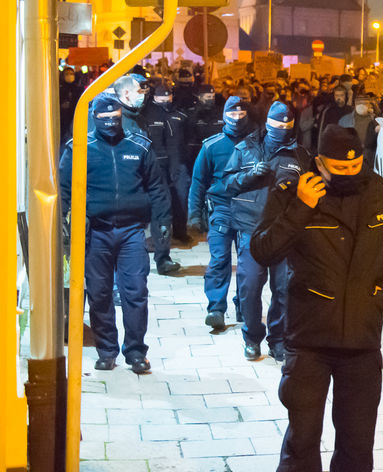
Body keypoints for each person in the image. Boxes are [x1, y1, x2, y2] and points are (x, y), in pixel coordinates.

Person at [250, 126, 383, 472]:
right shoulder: (292, 191)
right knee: (302, 442)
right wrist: (301, 205)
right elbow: (263, 250)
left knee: (357, 440)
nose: (347, 173)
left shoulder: (380, 193)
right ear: (318, 162)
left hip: (362, 339)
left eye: (354, 165)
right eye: (337, 167)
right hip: (309, 338)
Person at [59, 92, 171, 373]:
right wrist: (61, 225)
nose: (110, 122)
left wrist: (162, 225)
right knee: (99, 294)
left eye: (115, 117)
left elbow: (157, 188)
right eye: (104, 117)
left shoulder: (139, 146)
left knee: (135, 292)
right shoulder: (79, 149)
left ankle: (135, 351)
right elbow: (63, 189)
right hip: (96, 233)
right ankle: (106, 350)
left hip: (132, 232)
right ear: (93, 118)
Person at [222, 102, 312, 362]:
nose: (281, 129)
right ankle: (252, 338)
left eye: (286, 125)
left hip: (284, 231)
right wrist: (249, 175)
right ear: (267, 123)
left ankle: (279, 339)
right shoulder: (245, 149)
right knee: (250, 286)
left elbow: (309, 192)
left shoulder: (299, 156)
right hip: (252, 229)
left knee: (283, 288)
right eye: (276, 124)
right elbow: (226, 184)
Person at [188, 96, 255, 331]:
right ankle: (216, 307)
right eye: (232, 114)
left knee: (249, 264)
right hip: (221, 209)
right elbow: (198, 181)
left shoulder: (256, 143)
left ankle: (245, 306)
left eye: (241, 114)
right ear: (224, 116)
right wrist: (194, 214)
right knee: (219, 259)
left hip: (250, 211)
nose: (237, 119)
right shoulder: (212, 146)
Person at [141, 79, 191, 268]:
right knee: (161, 206)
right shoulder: (147, 115)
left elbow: (186, 138)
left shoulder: (178, 114)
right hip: (157, 167)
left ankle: (179, 231)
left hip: (177, 164)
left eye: (168, 95)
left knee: (180, 198)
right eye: (161, 96)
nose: (165, 99)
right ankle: (159, 245)